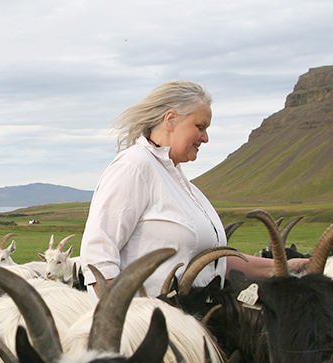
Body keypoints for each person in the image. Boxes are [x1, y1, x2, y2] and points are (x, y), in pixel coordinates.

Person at [78, 80, 283, 296]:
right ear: (171, 119)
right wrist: (131, 314)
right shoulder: (135, 166)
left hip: (190, 316)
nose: (205, 138)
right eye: (200, 127)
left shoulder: (178, 182)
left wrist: (284, 266)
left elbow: (214, 265)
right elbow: (98, 258)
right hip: (152, 316)